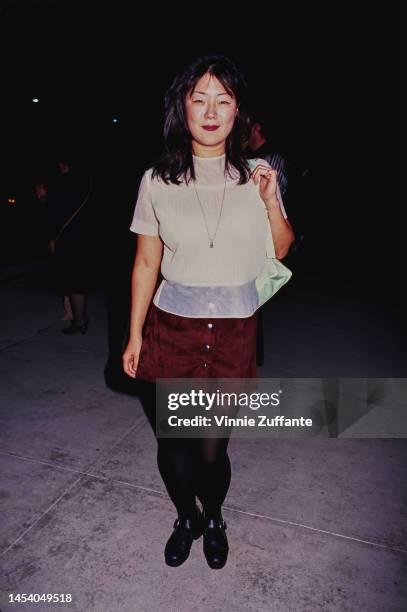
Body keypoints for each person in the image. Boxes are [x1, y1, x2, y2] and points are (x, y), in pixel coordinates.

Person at [122, 54, 294, 569]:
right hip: (172, 326)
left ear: (239, 111)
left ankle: (213, 515)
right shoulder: (156, 180)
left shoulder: (260, 174)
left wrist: (269, 201)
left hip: (235, 329)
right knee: (175, 447)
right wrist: (134, 336)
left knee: (211, 451)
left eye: (224, 99)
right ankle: (185, 517)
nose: (211, 109)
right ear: (183, 108)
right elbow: (146, 261)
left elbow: (282, 248)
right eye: (200, 99)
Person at [44, 154, 94, 334]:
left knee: (72, 281)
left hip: (69, 239)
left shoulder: (63, 183)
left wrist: (44, 198)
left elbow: (55, 212)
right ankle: (80, 320)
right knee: (78, 280)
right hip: (87, 239)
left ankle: (79, 321)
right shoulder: (88, 180)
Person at [245, 108, 288, 197]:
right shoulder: (248, 153)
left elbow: (276, 195)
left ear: (256, 128)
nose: (242, 128)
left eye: (246, 125)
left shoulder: (272, 157)